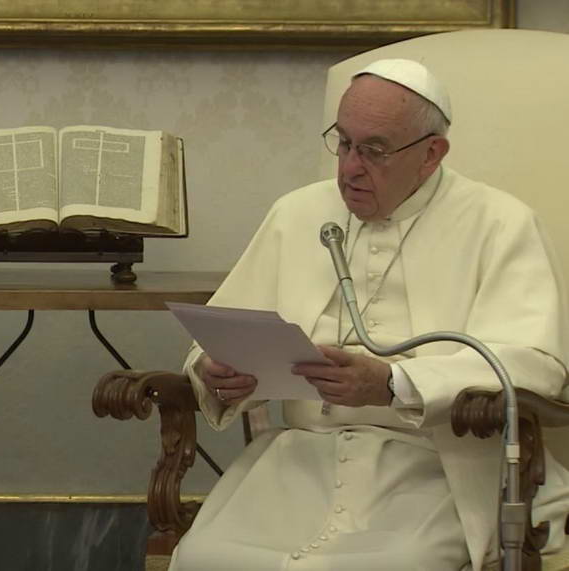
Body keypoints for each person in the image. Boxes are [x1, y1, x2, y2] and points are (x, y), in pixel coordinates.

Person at [169, 59, 569, 571]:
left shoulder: (501, 224)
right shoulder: (296, 213)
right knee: (204, 557)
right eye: (343, 143)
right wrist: (214, 371)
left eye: (374, 150)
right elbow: (220, 334)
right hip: (297, 463)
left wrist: (394, 385)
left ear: (431, 154)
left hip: (439, 467)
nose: (350, 168)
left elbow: (536, 366)